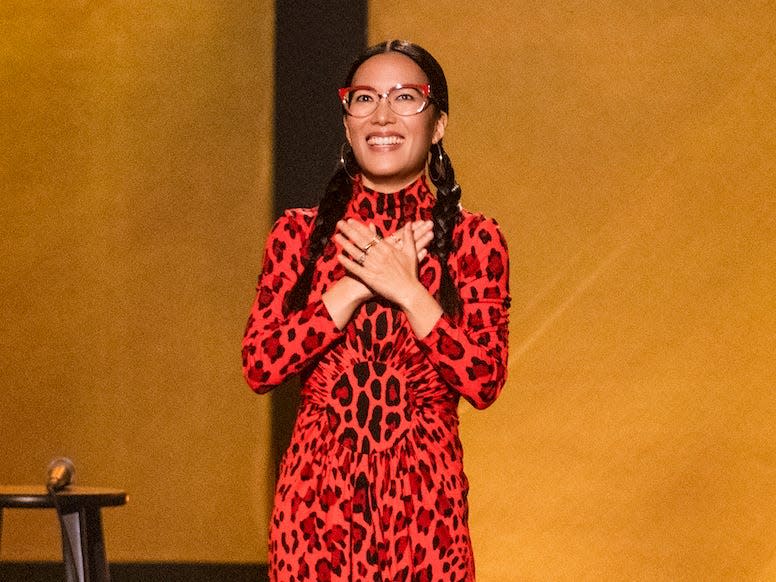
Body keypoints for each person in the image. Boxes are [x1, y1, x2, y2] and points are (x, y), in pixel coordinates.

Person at [242, 39, 510, 581]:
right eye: (364, 99)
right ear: (346, 124)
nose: (382, 115)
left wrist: (409, 291)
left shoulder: (473, 240)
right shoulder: (300, 235)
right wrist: (352, 288)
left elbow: (483, 380)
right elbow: (260, 365)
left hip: (426, 512)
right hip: (315, 510)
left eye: (405, 97)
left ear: (438, 125)